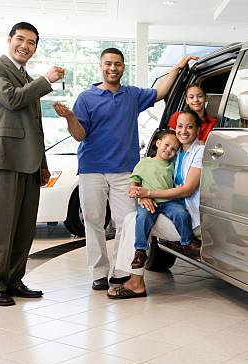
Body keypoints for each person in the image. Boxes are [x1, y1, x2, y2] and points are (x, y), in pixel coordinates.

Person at [53, 48, 196, 291]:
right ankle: (99, 272)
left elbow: (161, 92)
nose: (112, 68)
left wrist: (179, 66)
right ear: (100, 66)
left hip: (125, 172)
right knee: (94, 221)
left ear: (123, 67)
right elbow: (79, 135)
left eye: (117, 64)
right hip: (92, 168)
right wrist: (69, 118)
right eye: (108, 63)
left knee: (126, 222)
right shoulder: (86, 98)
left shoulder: (132, 95)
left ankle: (121, 271)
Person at [0, 22, 64, 306]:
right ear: (9, 40)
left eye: (31, 42)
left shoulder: (26, 76)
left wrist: (42, 162)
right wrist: (46, 80)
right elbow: (12, 99)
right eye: (20, 39)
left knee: (25, 227)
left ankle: (14, 280)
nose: (25, 46)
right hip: (4, 159)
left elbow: (35, 126)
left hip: (30, 163)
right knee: (3, 228)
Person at [108, 110, 204, 299]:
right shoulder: (176, 154)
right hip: (168, 207)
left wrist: (148, 193)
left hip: (185, 216)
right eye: (179, 126)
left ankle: (133, 279)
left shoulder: (198, 151)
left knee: (132, 220)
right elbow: (144, 177)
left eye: (190, 127)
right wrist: (142, 196)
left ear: (198, 129)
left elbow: (187, 190)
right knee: (133, 218)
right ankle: (135, 262)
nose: (183, 131)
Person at [128, 129, 200, 284]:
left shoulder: (173, 164)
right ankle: (140, 250)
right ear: (157, 143)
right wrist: (138, 193)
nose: (169, 150)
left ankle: (187, 243)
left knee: (181, 214)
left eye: (174, 149)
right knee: (142, 217)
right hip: (149, 201)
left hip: (168, 202)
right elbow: (134, 180)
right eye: (166, 145)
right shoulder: (145, 162)